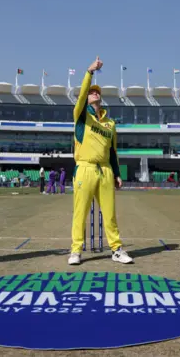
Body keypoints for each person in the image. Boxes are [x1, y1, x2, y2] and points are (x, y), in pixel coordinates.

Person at [68, 56, 132, 265]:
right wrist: (89, 72)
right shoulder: (80, 116)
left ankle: (116, 249)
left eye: (97, 92)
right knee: (80, 213)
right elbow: (81, 96)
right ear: (86, 97)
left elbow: (113, 152)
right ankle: (76, 251)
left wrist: (117, 173)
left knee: (110, 214)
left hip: (105, 170)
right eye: (90, 92)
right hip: (84, 167)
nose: (94, 93)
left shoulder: (110, 123)